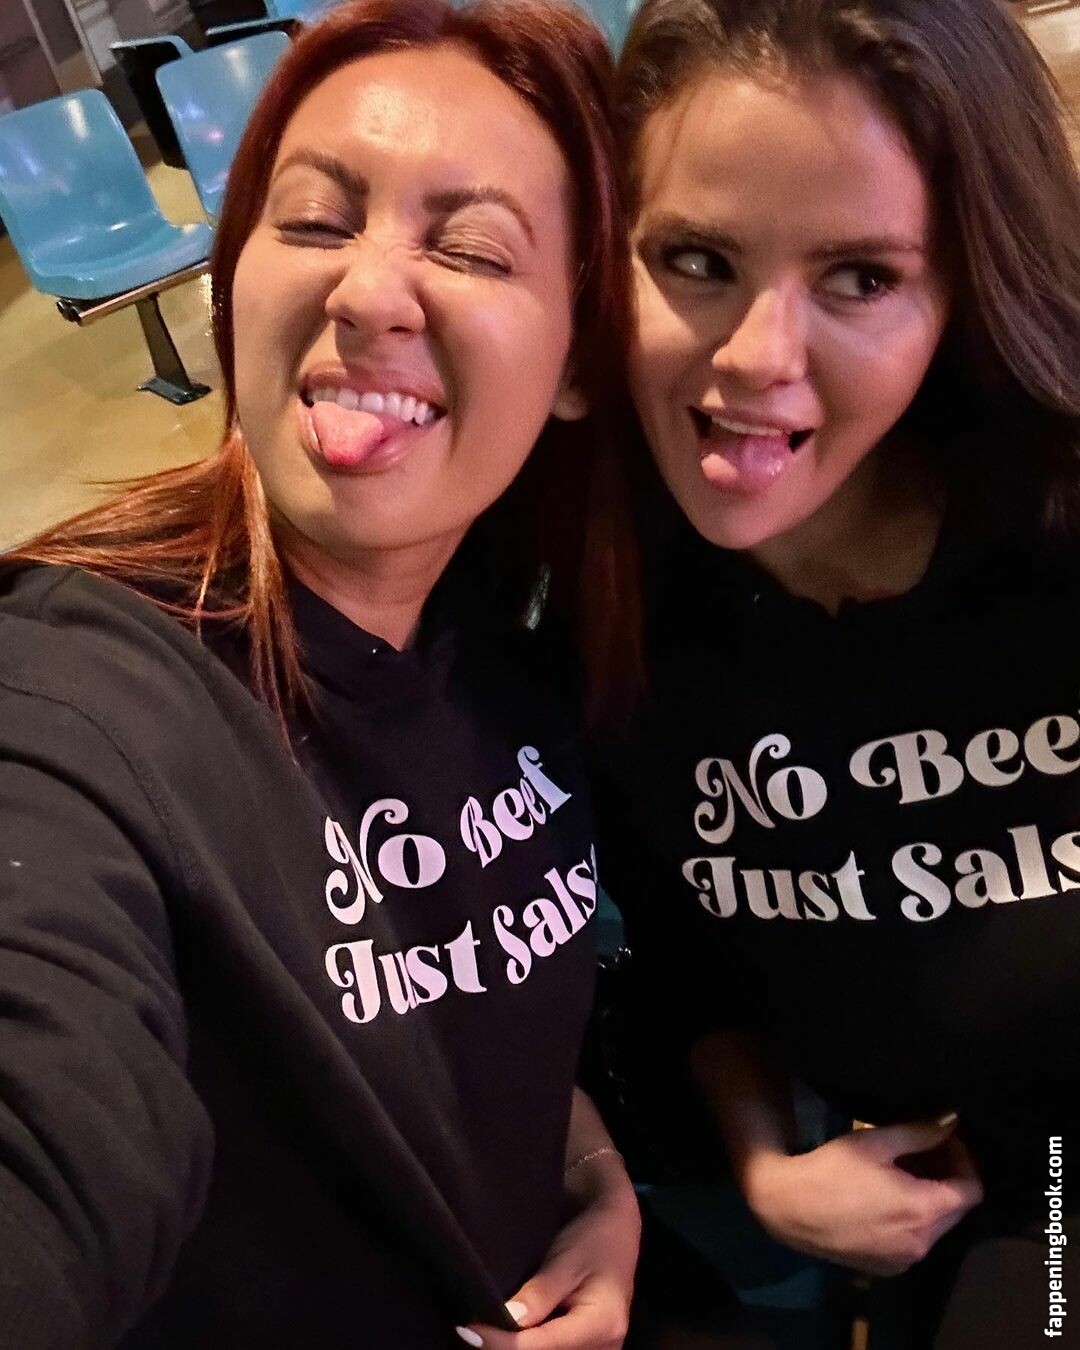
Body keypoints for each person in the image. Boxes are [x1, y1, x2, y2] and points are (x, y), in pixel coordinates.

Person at [0, 1, 642, 1345]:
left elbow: (464, 1008)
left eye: (471, 247)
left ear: (580, 357)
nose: (364, 292)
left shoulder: (508, 637)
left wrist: (588, 1172)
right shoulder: (83, 696)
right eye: (310, 221)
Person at [590, 0, 1080, 1344]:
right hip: (969, 1201)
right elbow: (684, 949)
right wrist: (766, 1162)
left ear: (964, 291)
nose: (757, 356)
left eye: (861, 278)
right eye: (696, 260)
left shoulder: (1052, 546)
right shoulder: (606, 605)